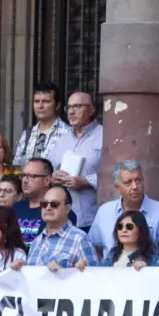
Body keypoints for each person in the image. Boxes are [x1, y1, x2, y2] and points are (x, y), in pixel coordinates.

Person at [91, 160, 159, 264]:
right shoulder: (104, 212)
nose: (135, 187)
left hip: (149, 272)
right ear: (118, 187)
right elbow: (96, 249)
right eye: (128, 182)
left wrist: (156, 273)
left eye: (138, 180)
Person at [45, 91, 103, 233]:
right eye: (69, 107)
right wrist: (54, 177)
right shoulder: (62, 139)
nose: (71, 112)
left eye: (77, 106)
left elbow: (116, 175)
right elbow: (47, 171)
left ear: (91, 109)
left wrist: (86, 181)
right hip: (62, 218)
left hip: (92, 219)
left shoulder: (105, 136)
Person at [14, 185, 94, 272]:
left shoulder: (80, 239)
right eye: (44, 204)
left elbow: (94, 275)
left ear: (67, 208)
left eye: (54, 204)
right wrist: (21, 268)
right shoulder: (36, 242)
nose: (48, 208)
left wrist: (63, 273)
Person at [13, 82, 69, 167]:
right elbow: (17, 165)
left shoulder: (67, 133)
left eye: (45, 101)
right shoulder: (28, 133)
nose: (40, 106)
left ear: (57, 105)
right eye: (36, 101)